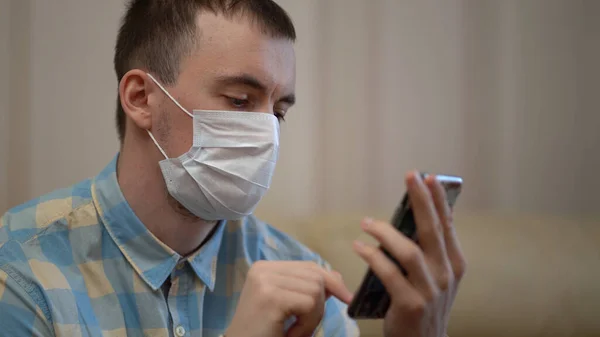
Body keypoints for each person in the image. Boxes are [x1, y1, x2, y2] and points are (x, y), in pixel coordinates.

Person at [0, 1, 467, 336]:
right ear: (141, 97)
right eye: (240, 101)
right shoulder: (23, 272)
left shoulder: (305, 280)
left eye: (279, 110)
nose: (266, 131)